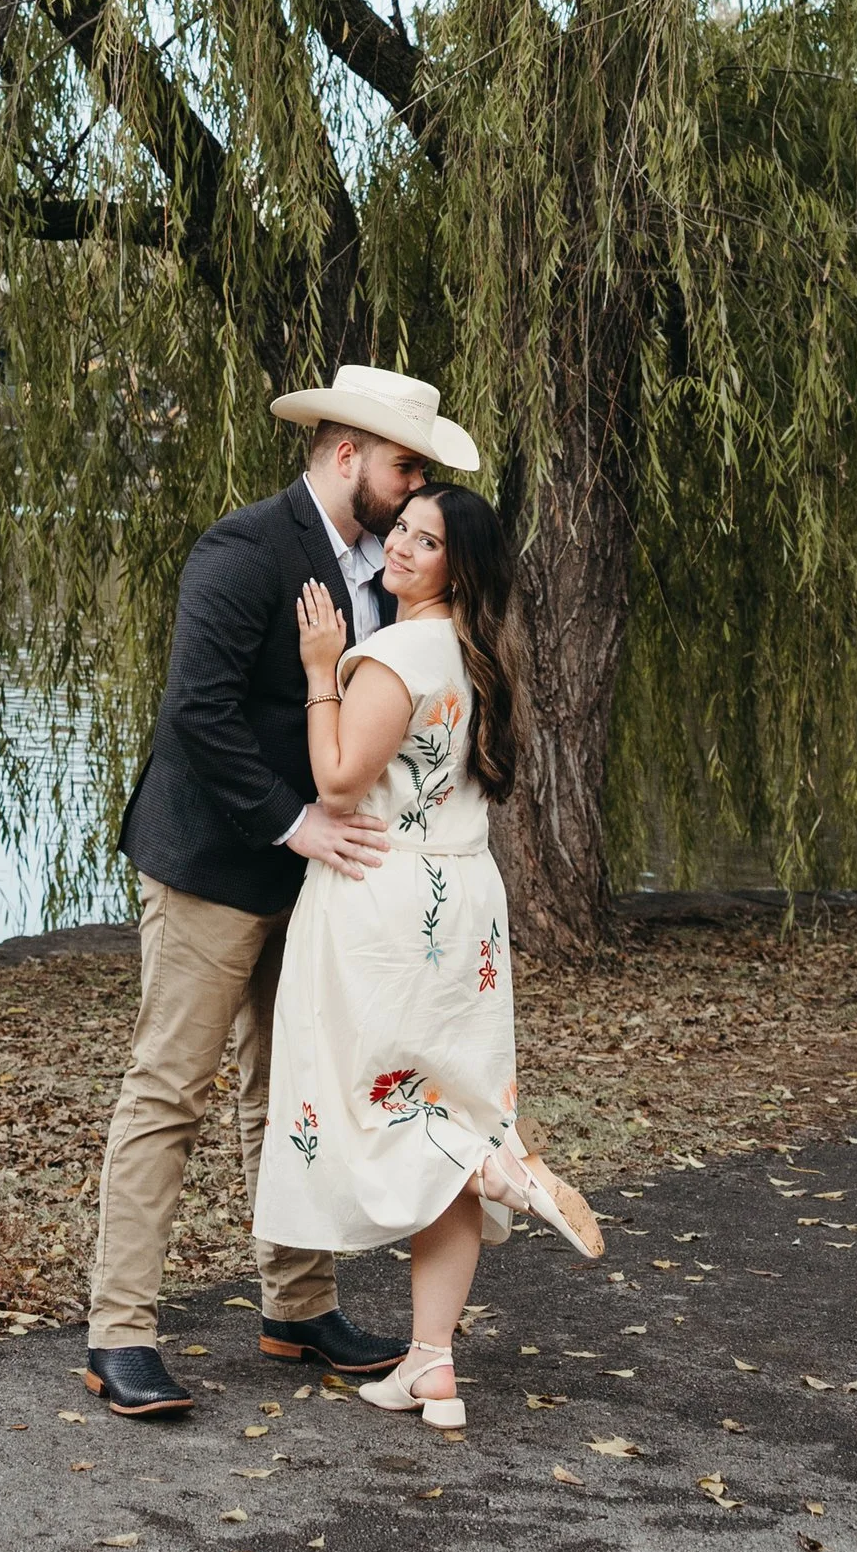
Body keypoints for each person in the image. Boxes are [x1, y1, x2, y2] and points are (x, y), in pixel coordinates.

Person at [82, 362, 479, 1419]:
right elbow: (195, 717)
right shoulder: (244, 549)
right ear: (346, 453)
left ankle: (297, 1305)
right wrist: (299, 820)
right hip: (215, 863)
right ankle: (118, 1333)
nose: (415, 490)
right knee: (170, 1088)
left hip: (315, 886)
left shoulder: (383, 571)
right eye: (405, 465)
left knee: (294, 1083)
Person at [253, 475, 604, 1434]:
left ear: (462, 565)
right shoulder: (482, 654)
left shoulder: (396, 654)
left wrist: (325, 665)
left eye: (427, 541)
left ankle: (499, 1170)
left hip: (384, 899)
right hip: (465, 903)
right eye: (400, 530)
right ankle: (432, 1367)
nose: (401, 548)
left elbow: (336, 778)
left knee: (374, 1101)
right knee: (447, 1098)